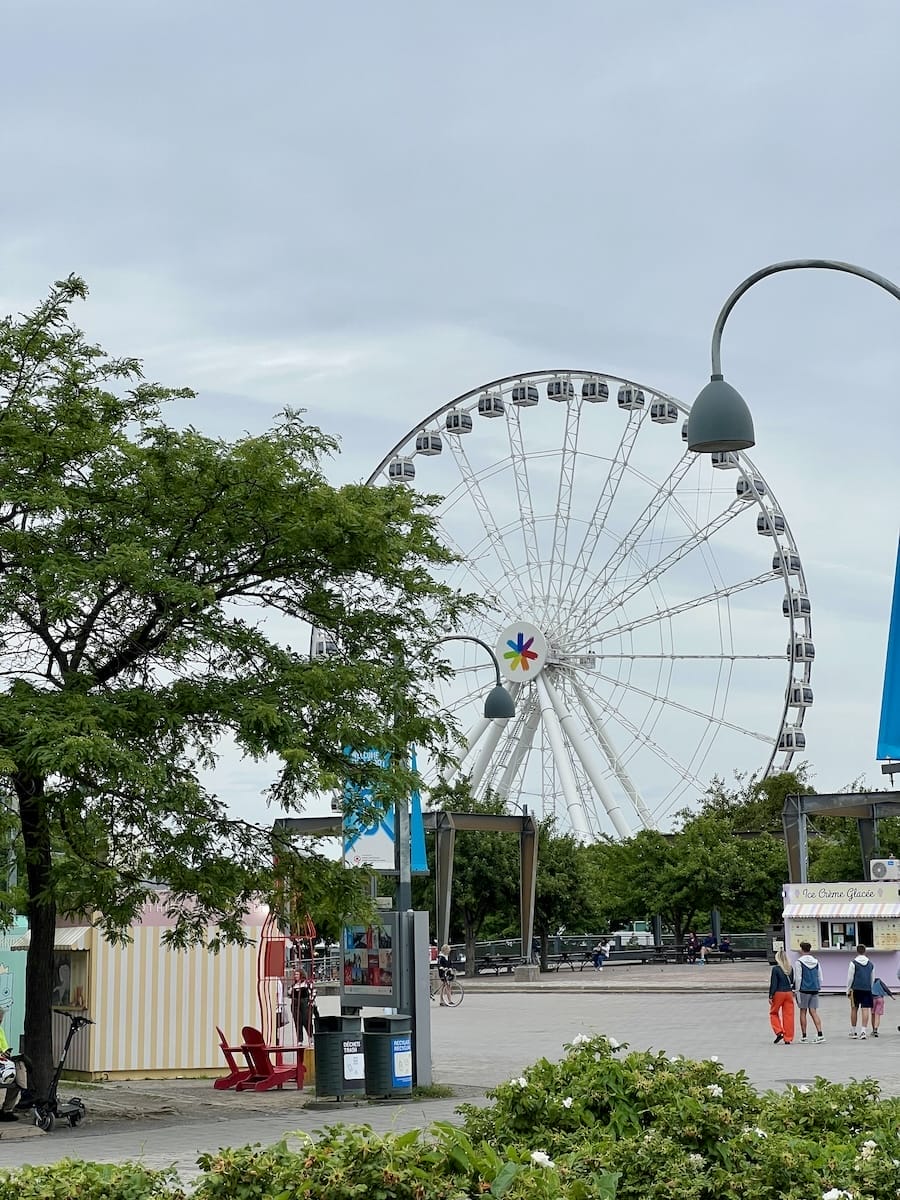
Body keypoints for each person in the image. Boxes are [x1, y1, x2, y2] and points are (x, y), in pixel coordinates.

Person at [792, 941, 825, 1043]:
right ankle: (820, 1034)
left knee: (803, 1011)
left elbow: (798, 977)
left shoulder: (799, 962)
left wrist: (796, 990)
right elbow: (820, 977)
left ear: (801, 949)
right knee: (814, 1012)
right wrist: (818, 986)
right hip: (814, 988)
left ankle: (804, 1036)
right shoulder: (816, 962)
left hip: (803, 989)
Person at [0, 1011, 27, 1122]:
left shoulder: (0, 1031)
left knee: (20, 1067)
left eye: (1, 1019)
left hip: (3, 1063)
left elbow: (4, 1049)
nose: (0, 1021)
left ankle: (7, 1109)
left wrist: (5, 1054)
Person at [846, 943, 875, 1039]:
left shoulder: (853, 963)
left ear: (857, 951)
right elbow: (872, 978)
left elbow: (850, 978)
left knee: (854, 1009)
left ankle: (853, 1031)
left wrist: (848, 989)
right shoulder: (871, 964)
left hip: (855, 989)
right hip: (867, 989)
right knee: (865, 1009)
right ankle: (863, 1031)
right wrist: (870, 988)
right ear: (865, 951)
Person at [768, 948, 795, 1044]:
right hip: (789, 993)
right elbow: (792, 982)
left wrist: (771, 995)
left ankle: (779, 1031)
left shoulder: (776, 969)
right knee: (789, 1015)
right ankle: (788, 1038)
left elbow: (774, 983)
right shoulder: (790, 968)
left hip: (779, 993)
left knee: (773, 1013)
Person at [289, 967, 316, 1046]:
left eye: (297, 974)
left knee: (306, 1020)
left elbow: (314, 991)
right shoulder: (294, 985)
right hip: (295, 1004)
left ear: (301, 975)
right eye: (295, 974)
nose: (295, 976)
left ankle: (310, 1037)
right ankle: (299, 1040)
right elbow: (289, 994)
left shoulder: (307, 984)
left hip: (304, 1003)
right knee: (298, 1022)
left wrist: (311, 1000)